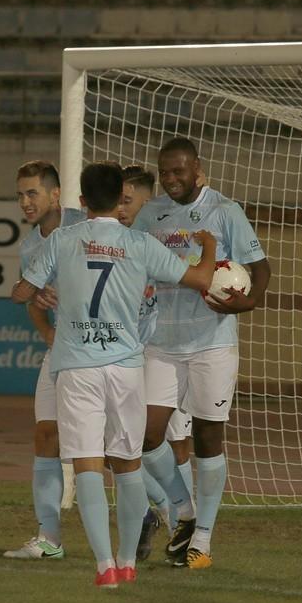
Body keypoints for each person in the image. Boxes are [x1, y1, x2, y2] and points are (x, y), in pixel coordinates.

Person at [11, 161, 216, 588]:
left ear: (81, 202)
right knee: (126, 465)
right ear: (118, 196)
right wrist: (210, 248)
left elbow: (22, 292)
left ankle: (104, 566)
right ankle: (128, 561)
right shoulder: (139, 243)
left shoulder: (63, 239)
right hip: (124, 368)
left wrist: (39, 291)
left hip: (76, 367)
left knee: (86, 464)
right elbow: (199, 277)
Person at [132, 137, 271, 570]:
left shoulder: (225, 211)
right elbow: (131, 260)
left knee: (209, 438)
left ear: (198, 169)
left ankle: (203, 538)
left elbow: (260, 267)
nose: (170, 179)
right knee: (146, 436)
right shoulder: (150, 214)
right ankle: (184, 512)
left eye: (178, 171)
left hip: (212, 341)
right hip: (161, 343)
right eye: (164, 172)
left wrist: (250, 300)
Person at [3, 160, 84, 560]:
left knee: (114, 446)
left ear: (55, 194)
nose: (25, 201)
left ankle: (150, 518)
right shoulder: (31, 245)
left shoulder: (87, 224)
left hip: (101, 350)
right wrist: (44, 327)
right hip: (60, 349)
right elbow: (29, 300)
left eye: (32, 192)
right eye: (20, 194)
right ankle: (49, 538)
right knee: (45, 434)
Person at [119, 165, 194, 559]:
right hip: (132, 354)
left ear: (147, 202)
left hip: (170, 353)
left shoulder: (170, 240)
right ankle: (163, 514)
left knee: (176, 442)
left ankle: (185, 529)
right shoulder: (120, 242)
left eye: (128, 200)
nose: (121, 207)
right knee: (121, 440)